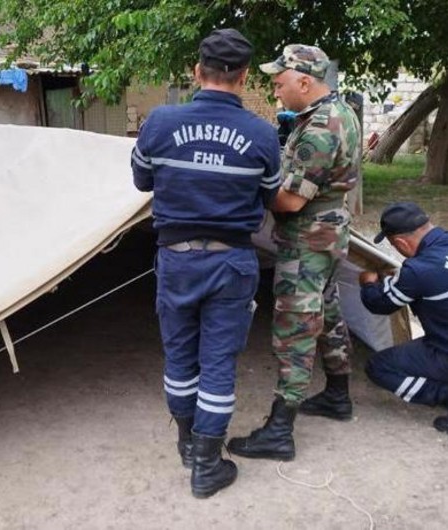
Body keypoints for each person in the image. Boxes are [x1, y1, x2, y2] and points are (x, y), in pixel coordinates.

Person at [131, 28, 280, 498]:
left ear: (197, 71)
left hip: (175, 260)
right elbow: (271, 195)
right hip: (232, 263)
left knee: (179, 356)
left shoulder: (159, 122)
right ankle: (207, 464)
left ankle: (186, 444)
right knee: (217, 362)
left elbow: (141, 181)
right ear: (244, 77)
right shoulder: (262, 133)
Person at [227, 44, 362, 461]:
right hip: (326, 237)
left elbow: (288, 202)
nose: (276, 92)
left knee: (294, 330)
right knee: (327, 314)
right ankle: (338, 396)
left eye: (280, 83)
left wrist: (249, 187)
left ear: (305, 81)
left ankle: (280, 430)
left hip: (307, 242)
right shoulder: (338, 113)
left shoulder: (321, 127)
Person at [360, 202, 448, 432]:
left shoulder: (418, 270)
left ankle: (443, 394)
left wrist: (368, 284)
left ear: (400, 243)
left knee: (379, 367)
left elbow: (379, 304)